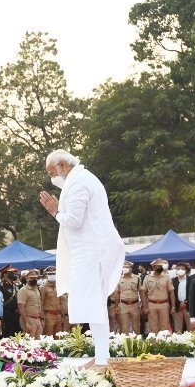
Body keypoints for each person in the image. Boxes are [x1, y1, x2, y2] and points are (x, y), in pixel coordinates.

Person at [39, 149, 125, 367]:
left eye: (52, 173)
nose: (52, 178)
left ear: (63, 166)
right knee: (92, 304)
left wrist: (56, 212)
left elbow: (74, 220)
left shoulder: (79, 182)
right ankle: (101, 355)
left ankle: (103, 360)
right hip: (88, 251)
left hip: (91, 251)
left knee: (93, 304)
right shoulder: (80, 179)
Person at [140, 258, 175, 333]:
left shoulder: (166, 277)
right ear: (153, 267)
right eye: (158, 266)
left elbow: (171, 292)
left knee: (164, 327)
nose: (160, 267)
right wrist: (145, 307)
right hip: (152, 305)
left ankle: (163, 344)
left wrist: (173, 306)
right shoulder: (147, 277)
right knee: (153, 327)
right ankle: (154, 344)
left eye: (161, 266)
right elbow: (143, 292)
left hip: (164, 305)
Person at [114, 261, 141, 334]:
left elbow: (141, 291)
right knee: (124, 327)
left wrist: (143, 305)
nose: (125, 268)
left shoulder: (137, 278)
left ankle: (136, 344)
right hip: (123, 305)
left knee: (136, 327)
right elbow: (117, 293)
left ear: (131, 268)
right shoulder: (119, 279)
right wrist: (116, 306)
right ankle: (125, 344)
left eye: (127, 267)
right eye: (124, 267)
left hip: (135, 305)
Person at [17, 269, 44, 338]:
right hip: (29, 319)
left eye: (35, 278)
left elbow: (39, 305)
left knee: (39, 343)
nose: (34, 280)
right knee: (30, 343)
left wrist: (41, 319)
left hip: (37, 319)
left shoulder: (36, 289)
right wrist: (26, 323)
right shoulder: (23, 290)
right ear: (26, 279)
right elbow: (21, 307)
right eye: (31, 278)